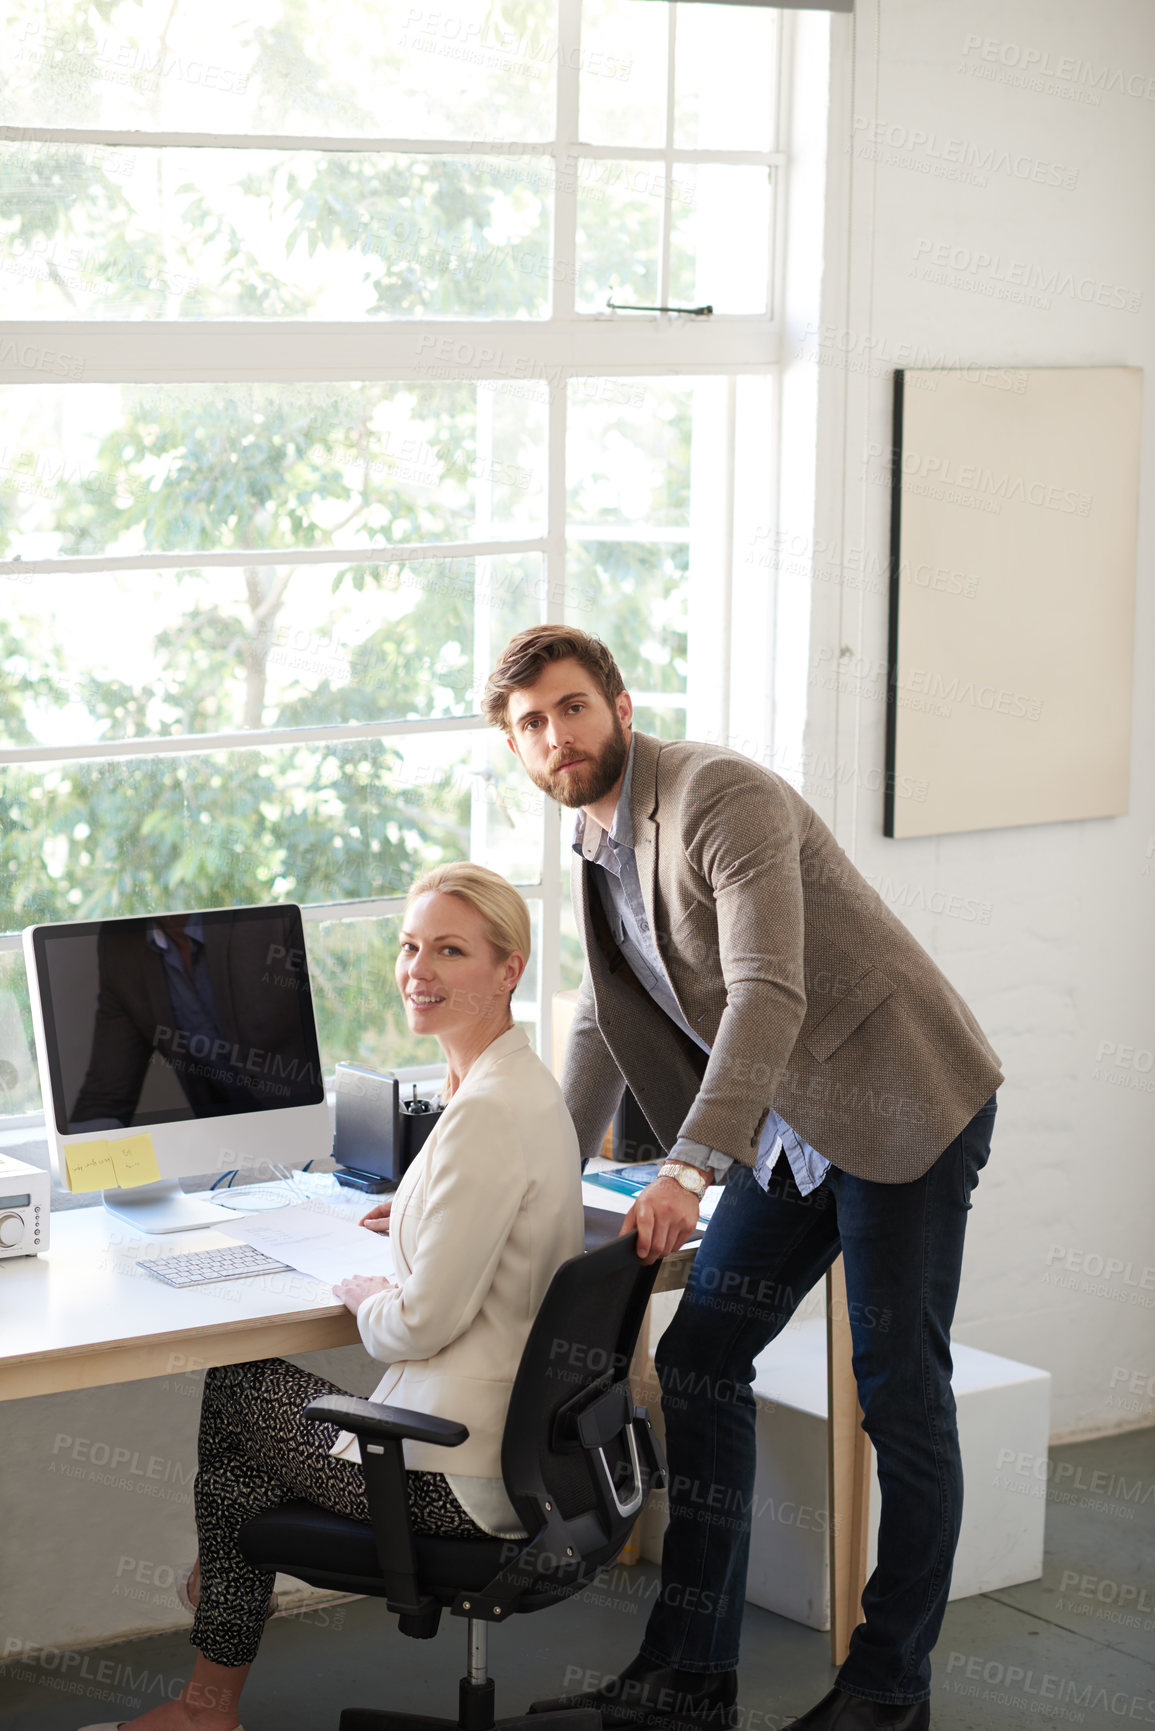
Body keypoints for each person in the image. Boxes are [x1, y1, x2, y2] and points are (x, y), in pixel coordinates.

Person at [481, 627, 1003, 1731]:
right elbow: (601, 1022)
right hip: (792, 1132)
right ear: (514, 747)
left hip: (897, 1099)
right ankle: (690, 1678)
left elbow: (770, 991)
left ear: (620, 706)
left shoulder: (720, 796)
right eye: (531, 723)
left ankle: (886, 1689)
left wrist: (685, 1164)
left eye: (572, 708)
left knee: (901, 1394)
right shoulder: (593, 841)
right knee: (703, 1358)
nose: (556, 735)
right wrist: (531, 1173)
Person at [79, 861, 583, 1731]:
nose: (417, 969)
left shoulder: (486, 1114)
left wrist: (364, 1291)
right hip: (520, 1453)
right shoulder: (511, 1083)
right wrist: (422, 1218)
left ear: (509, 969)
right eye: (410, 945)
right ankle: (207, 1698)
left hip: (457, 1474)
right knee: (236, 1480)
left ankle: (209, 1667)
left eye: (449, 951)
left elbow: (414, 1324)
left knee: (237, 1386)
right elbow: (495, 1220)